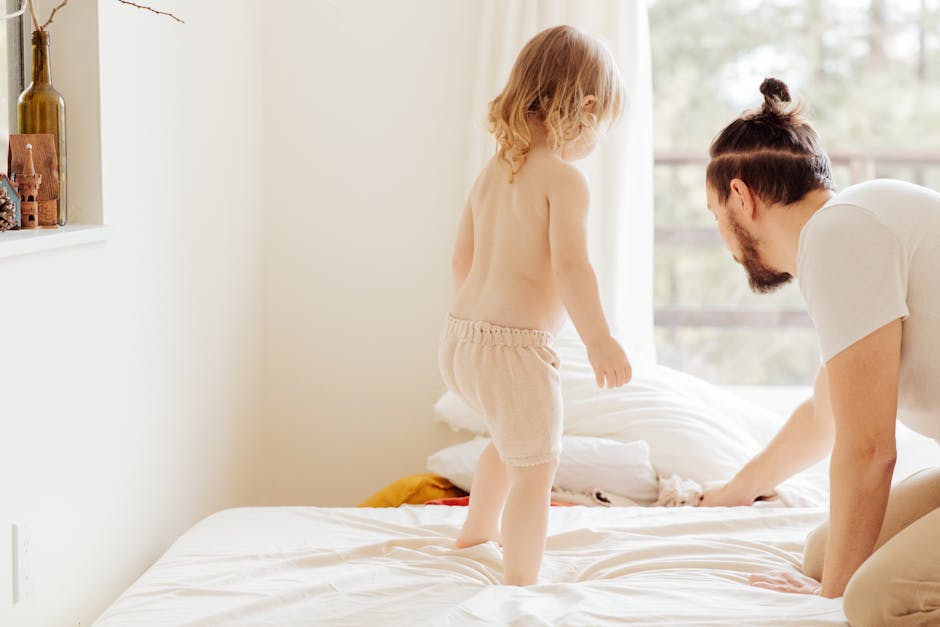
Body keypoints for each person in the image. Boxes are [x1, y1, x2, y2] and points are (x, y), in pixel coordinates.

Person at [700, 77, 940, 625]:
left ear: (742, 197)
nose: (723, 239)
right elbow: (825, 414)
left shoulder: (841, 234)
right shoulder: (850, 227)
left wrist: (830, 599)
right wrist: (736, 492)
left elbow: (870, 451)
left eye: (717, 217)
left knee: (869, 600)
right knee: (822, 552)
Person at [437, 25, 632, 586]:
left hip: (460, 339)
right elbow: (572, 267)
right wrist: (599, 339)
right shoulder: (565, 180)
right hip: (514, 348)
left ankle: (476, 535)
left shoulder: (494, 172)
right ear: (587, 109)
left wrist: (473, 324)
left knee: (508, 441)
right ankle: (521, 582)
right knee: (536, 467)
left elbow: (459, 260)